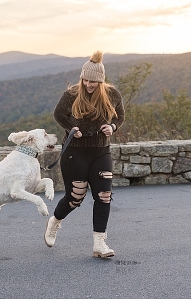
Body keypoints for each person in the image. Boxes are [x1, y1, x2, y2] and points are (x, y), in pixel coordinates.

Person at [44, 51, 125, 258]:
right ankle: (55, 221)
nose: (89, 85)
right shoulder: (72, 94)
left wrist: (112, 127)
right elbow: (58, 114)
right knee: (75, 197)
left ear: (101, 81)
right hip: (75, 152)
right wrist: (72, 128)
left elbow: (120, 116)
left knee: (104, 196)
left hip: (101, 151)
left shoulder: (113, 95)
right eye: (86, 80)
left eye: (93, 82)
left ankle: (100, 243)